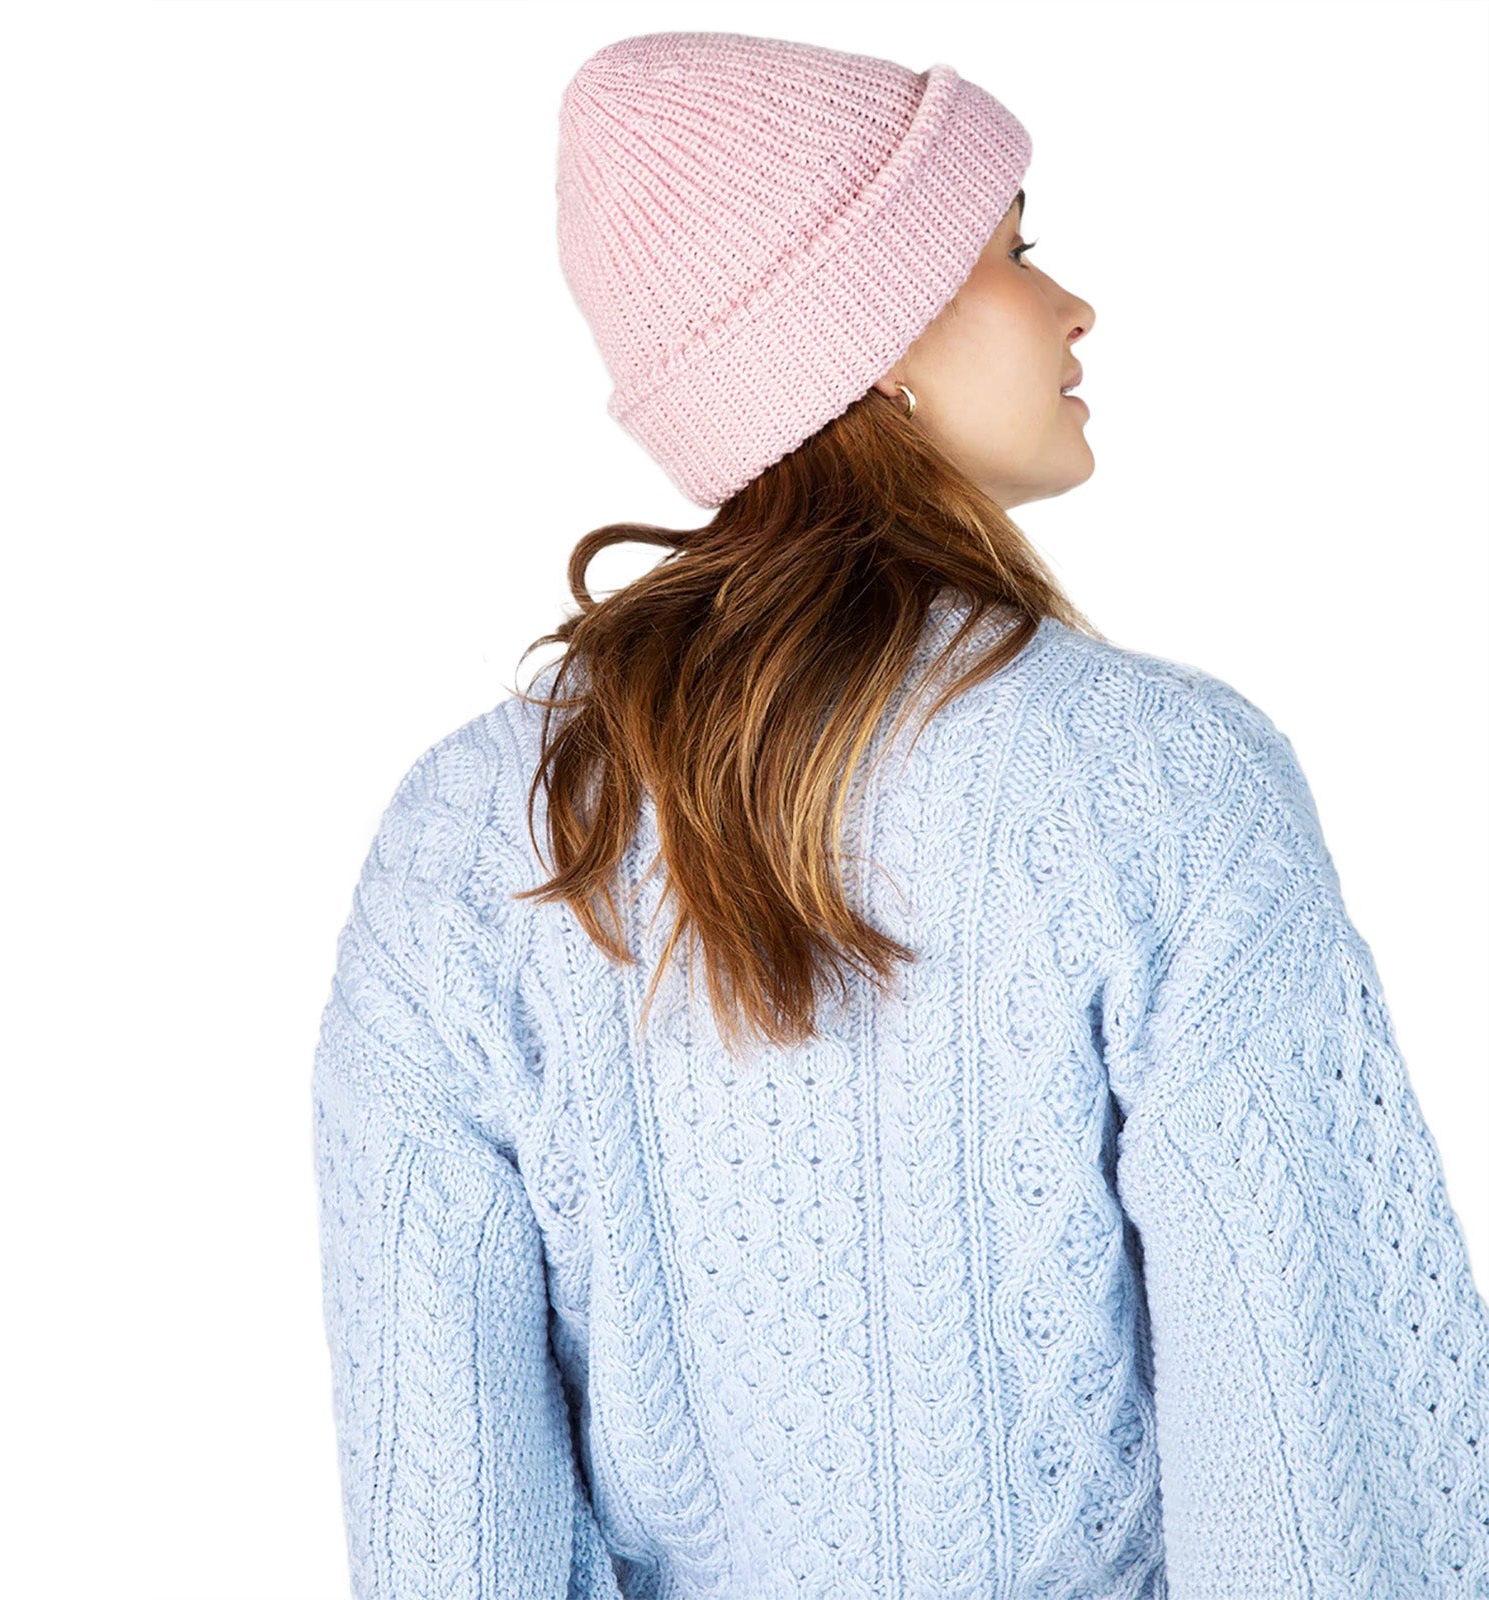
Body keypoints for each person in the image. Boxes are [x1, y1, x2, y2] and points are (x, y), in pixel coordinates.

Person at [310, 29, 1489, 1599]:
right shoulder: (1159, 781)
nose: (1073, 307)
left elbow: (448, 1540)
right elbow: (1327, 1487)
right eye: (1014, 251)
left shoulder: (474, 835)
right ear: (866, 338)